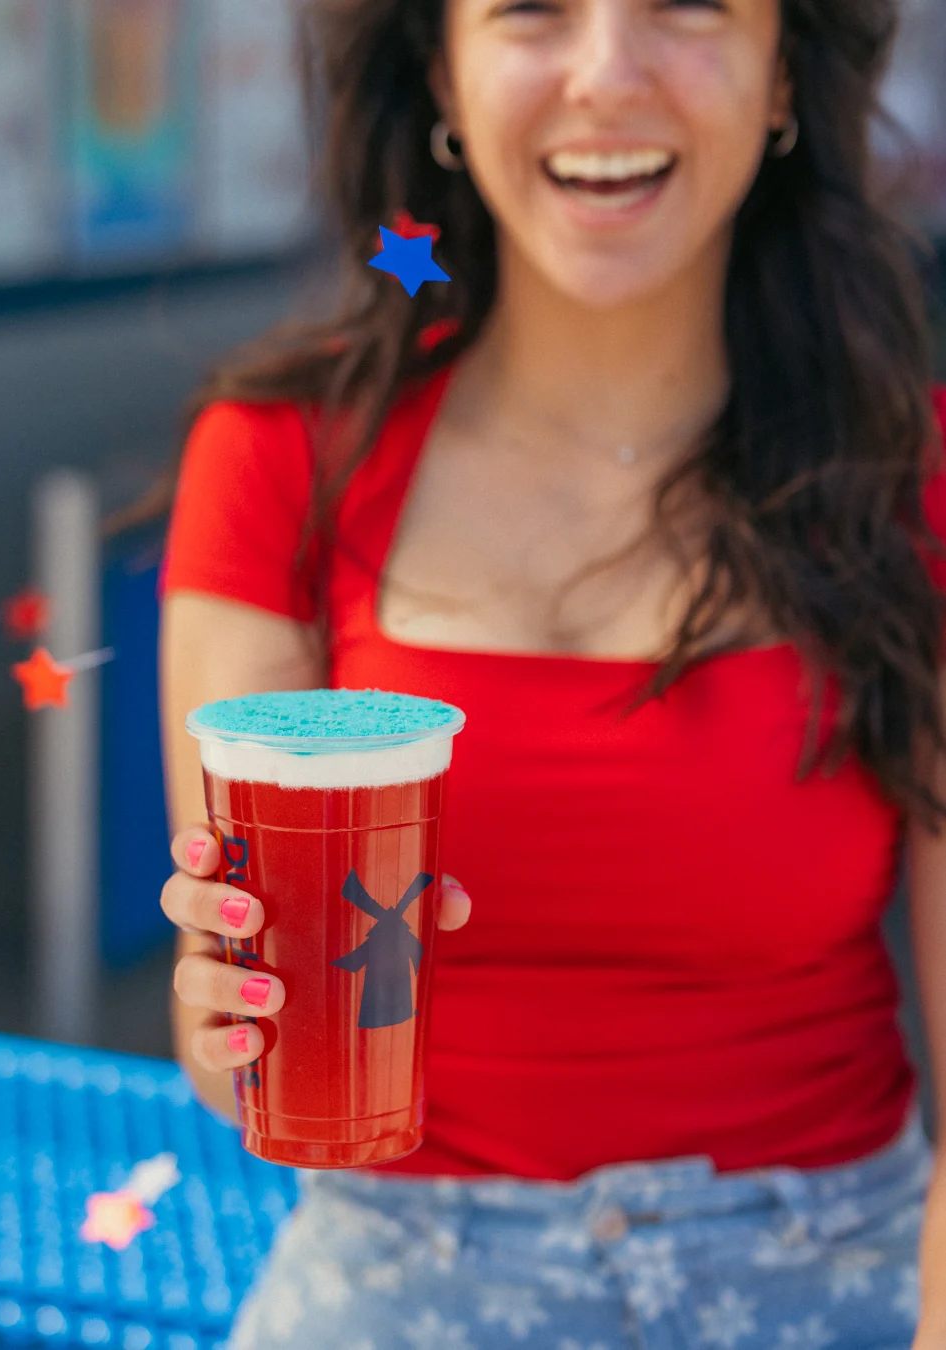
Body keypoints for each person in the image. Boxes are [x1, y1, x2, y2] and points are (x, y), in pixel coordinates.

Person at [154, 0, 946, 1344]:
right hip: (397, 1274)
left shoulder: (910, 486)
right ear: (444, 78)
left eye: (685, 5)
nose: (605, 74)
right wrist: (228, 1019)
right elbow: (231, 1054)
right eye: (532, 8)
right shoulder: (281, 456)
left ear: (781, 78)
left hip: (831, 1274)